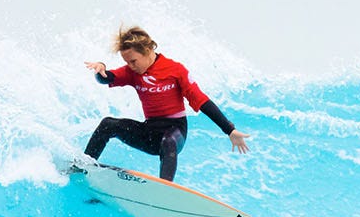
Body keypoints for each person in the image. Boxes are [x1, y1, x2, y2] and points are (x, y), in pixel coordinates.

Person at [80, 26, 250, 182]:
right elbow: (106, 78)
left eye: (133, 61)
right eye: (127, 62)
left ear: (147, 50)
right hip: (150, 131)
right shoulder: (132, 72)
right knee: (108, 124)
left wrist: (229, 130)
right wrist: (100, 68)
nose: (130, 66)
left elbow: (201, 100)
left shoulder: (175, 70)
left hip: (175, 132)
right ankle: (83, 167)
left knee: (168, 141)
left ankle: (165, 189)